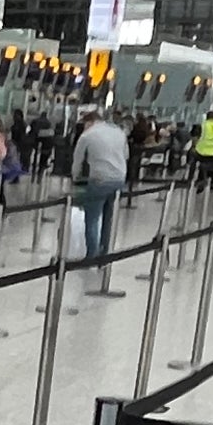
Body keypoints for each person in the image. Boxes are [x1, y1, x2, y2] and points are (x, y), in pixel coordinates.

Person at [72, 104, 131, 289]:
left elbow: (77, 159)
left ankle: (91, 256)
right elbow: (126, 154)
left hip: (99, 179)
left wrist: (75, 178)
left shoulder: (87, 135)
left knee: (92, 218)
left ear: (88, 122)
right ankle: (105, 256)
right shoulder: (118, 132)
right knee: (109, 218)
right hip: (119, 179)